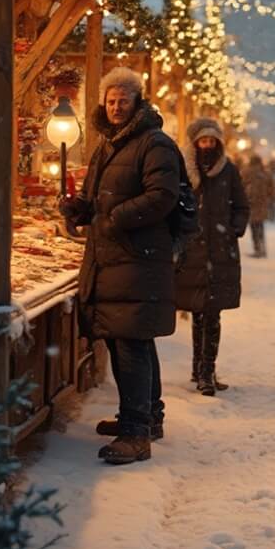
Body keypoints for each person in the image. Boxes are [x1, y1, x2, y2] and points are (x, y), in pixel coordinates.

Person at [61, 66, 180, 465]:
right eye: (110, 101)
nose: (115, 107)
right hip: (114, 258)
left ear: (136, 102)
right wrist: (81, 209)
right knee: (128, 339)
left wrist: (114, 218)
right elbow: (98, 197)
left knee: (130, 343)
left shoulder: (154, 143)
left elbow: (161, 196)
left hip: (136, 258)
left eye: (122, 101)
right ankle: (148, 417)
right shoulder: (108, 145)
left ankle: (136, 433)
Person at [174, 118, 250, 396]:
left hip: (220, 251)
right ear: (195, 143)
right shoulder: (183, 169)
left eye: (211, 141)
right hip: (192, 251)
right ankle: (199, 368)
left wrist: (234, 229)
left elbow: (241, 204)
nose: (207, 145)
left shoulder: (227, 171)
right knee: (198, 311)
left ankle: (207, 370)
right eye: (202, 141)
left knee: (212, 313)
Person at [241, 154, 275, 257]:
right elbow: (273, 189)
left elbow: (239, 187)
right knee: (260, 227)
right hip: (262, 204)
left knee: (253, 227)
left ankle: (257, 249)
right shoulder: (266, 173)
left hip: (250, 204)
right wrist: (269, 198)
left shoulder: (245, 172)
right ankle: (262, 248)